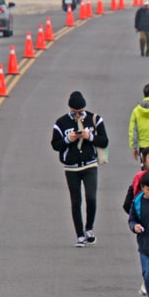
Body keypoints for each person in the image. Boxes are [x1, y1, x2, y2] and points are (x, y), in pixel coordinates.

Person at [50, 91, 108, 246]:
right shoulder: (61, 123)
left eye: (80, 112)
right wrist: (68, 139)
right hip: (71, 168)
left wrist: (89, 137)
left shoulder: (95, 119)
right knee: (76, 201)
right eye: (74, 112)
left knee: (91, 197)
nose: (78, 115)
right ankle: (79, 235)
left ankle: (89, 228)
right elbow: (55, 145)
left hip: (90, 164)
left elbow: (104, 141)